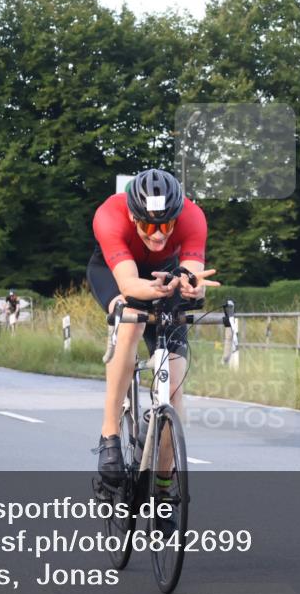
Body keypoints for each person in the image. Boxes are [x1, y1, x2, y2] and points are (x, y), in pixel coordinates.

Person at [87, 169, 219, 486]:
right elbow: (130, 284)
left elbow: (191, 273)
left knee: (175, 388)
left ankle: (163, 489)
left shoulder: (193, 217)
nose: (158, 235)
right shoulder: (109, 215)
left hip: (165, 272)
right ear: (133, 216)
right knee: (131, 319)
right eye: (148, 225)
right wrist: (160, 290)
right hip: (116, 271)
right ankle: (110, 434)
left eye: (166, 225)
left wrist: (191, 287)